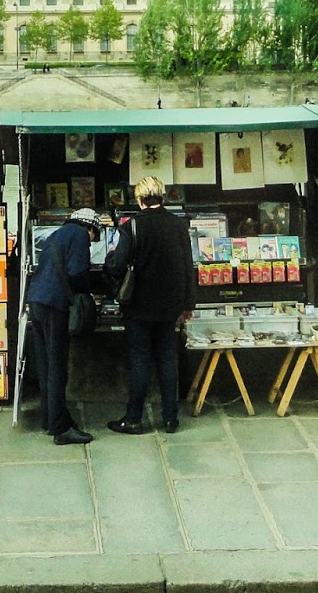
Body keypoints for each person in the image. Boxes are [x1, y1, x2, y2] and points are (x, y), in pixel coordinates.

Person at [107, 177, 197, 435]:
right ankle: (171, 419)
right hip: (170, 305)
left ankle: (134, 418)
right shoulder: (178, 226)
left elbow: (117, 265)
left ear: (139, 199)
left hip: (139, 305)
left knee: (140, 360)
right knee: (168, 358)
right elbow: (187, 267)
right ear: (163, 197)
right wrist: (188, 303)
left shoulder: (132, 226)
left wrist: (110, 260)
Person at [25, 207, 103, 446]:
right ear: (90, 227)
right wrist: (92, 290)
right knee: (58, 366)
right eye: (94, 237)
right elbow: (77, 272)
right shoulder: (79, 235)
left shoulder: (56, 235)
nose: (91, 242)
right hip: (54, 304)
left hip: (37, 301)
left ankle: (50, 419)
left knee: (47, 365)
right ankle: (61, 429)